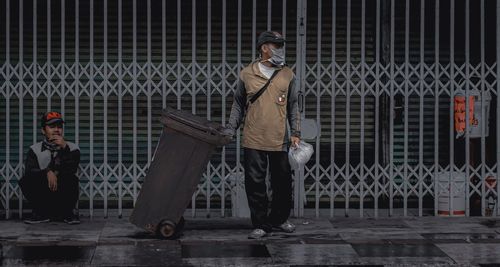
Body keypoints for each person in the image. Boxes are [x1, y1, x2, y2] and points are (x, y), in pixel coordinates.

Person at [225, 31, 301, 239]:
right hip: (254, 137)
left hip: (279, 139)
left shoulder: (288, 74)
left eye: (281, 45)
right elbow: (238, 104)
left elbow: (294, 106)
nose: (281, 50)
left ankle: (279, 219)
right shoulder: (247, 73)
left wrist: (295, 132)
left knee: (283, 183)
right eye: (276, 46)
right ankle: (260, 224)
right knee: (255, 183)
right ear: (264, 48)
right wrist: (231, 128)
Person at [20, 111, 81, 224]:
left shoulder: (73, 148)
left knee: (71, 178)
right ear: (43, 130)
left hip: (63, 194)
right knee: (25, 180)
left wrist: (64, 148)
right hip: (44, 195)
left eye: (59, 127)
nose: (57, 130)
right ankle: (41, 213)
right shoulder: (35, 149)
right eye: (52, 127)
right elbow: (30, 171)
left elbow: (71, 168)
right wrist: (47, 172)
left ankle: (67, 213)